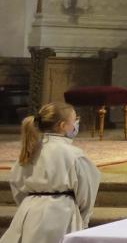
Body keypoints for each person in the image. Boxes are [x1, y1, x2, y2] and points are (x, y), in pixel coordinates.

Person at [0, 103, 101, 243]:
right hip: (61, 213)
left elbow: (16, 183)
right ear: (62, 125)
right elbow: (86, 192)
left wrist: (29, 204)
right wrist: (84, 219)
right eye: (74, 121)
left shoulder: (29, 151)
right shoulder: (74, 154)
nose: (76, 125)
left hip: (29, 213)